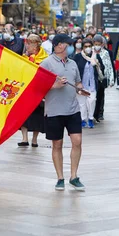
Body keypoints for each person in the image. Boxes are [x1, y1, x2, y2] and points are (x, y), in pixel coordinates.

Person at [40, 34, 88, 191]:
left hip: (72, 109)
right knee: (57, 144)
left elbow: (77, 81)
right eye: (69, 44)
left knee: (77, 141)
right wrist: (55, 85)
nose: (71, 47)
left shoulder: (73, 63)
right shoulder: (46, 63)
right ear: (59, 45)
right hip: (54, 110)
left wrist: (80, 88)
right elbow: (38, 87)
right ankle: (60, 178)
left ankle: (74, 176)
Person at [19, 34, 48, 147]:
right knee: (23, 113)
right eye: (27, 43)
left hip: (38, 90)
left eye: (29, 43)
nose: (27, 46)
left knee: (37, 115)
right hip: (25, 89)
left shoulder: (44, 58)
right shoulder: (24, 57)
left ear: (36, 45)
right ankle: (24, 138)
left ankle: (34, 139)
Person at [73, 38, 105, 129]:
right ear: (82, 47)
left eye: (89, 46)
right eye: (85, 46)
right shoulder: (78, 57)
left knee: (91, 101)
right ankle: (83, 119)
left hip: (92, 84)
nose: (88, 48)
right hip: (81, 84)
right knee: (81, 103)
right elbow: (74, 69)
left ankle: (90, 118)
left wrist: (98, 64)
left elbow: (102, 69)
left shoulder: (96, 56)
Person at [92, 34, 114, 122]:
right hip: (93, 77)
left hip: (102, 78)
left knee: (101, 96)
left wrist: (110, 79)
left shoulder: (105, 53)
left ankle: (99, 114)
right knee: (93, 96)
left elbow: (109, 66)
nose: (97, 46)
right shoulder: (91, 52)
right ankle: (93, 113)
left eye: (99, 44)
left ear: (102, 44)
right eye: (95, 44)